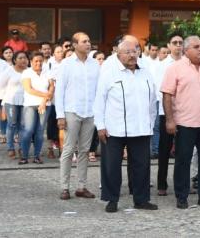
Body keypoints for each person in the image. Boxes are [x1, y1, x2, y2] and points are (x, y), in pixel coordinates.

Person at [94, 39, 159, 213]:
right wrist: (100, 125)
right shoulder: (109, 72)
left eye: (134, 51)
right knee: (112, 166)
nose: (132, 55)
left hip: (141, 127)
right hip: (114, 128)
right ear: (118, 54)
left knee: (141, 166)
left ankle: (141, 199)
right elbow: (99, 101)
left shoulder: (146, 72)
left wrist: (151, 122)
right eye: (127, 52)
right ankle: (111, 199)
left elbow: (152, 100)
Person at [161, 35, 200, 209]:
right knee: (183, 160)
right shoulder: (175, 68)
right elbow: (167, 95)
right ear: (186, 50)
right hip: (185, 123)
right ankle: (182, 196)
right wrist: (170, 120)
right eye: (196, 47)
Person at [56, 32, 100, 200]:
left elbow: (99, 89)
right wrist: (60, 115)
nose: (88, 44)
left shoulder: (95, 64)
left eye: (89, 41)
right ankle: (64, 187)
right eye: (84, 41)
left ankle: (81, 187)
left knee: (84, 150)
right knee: (68, 150)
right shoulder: (66, 64)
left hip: (90, 112)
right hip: (71, 111)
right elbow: (59, 91)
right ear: (75, 45)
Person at [155, 33, 183, 196]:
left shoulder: (187, 63)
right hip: (166, 112)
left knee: (183, 150)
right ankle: (162, 184)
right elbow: (160, 90)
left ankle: (181, 183)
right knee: (164, 150)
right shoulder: (162, 65)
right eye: (175, 42)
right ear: (169, 45)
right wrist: (169, 111)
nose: (178, 45)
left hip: (185, 113)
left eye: (180, 42)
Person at [20, 52, 51, 164]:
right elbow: (29, 89)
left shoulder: (48, 72)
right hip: (30, 105)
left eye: (40, 61)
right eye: (36, 61)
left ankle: (37, 156)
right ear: (31, 62)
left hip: (45, 105)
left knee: (40, 131)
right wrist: (46, 95)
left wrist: (44, 101)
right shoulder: (26, 72)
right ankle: (24, 156)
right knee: (28, 130)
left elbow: (52, 88)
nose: (38, 63)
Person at [0, 51, 28, 158]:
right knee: (12, 124)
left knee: (22, 125)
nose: (23, 60)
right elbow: (0, 85)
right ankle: (10, 147)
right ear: (15, 60)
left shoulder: (29, 71)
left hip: (25, 102)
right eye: (20, 58)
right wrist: (4, 101)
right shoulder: (9, 70)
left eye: (25, 57)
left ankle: (21, 148)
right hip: (10, 102)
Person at [44, 44, 65, 159]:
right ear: (53, 54)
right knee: (51, 123)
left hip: (64, 96)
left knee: (63, 124)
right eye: (58, 51)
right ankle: (50, 149)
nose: (60, 53)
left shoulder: (67, 63)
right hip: (53, 97)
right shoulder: (49, 63)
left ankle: (62, 149)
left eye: (62, 51)